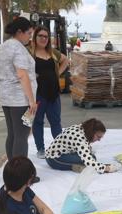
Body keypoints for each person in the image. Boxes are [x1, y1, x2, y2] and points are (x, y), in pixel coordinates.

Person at [0, 17, 38, 168]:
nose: (30, 37)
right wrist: (32, 101)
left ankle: (12, 169)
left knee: (13, 134)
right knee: (21, 136)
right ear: (20, 32)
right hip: (20, 98)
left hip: (7, 97)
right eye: (29, 33)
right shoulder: (18, 48)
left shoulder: (5, 46)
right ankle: (20, 173)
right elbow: (22, 74)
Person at [31, 26, 69, 159]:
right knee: (38, 121)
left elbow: (65, 60)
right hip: (38, 93)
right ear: (35, 37)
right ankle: (40, 149)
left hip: (53, 92)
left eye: (46, 36)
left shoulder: (52, 52)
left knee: (56, 121)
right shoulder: (29, 52)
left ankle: (60, 146)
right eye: (40, 36)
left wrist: (57, 74)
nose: (43, 39)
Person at [45, 118, 120, 174]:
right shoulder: (80, 139)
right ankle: (77, 167)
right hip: (54, 159)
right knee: (91, 160)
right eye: (98, 137)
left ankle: (81, 166)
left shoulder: (82, 127)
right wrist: (107, 168)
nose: (99, 140)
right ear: (92, 132)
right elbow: (89, 161)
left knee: (92, 157)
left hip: (62, 153)